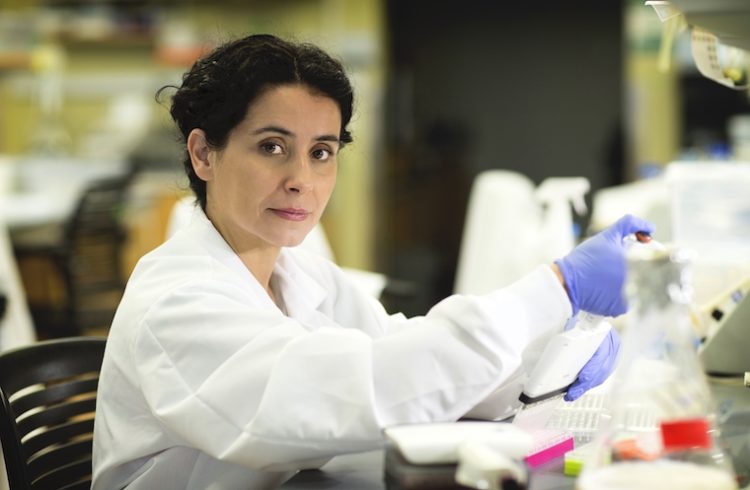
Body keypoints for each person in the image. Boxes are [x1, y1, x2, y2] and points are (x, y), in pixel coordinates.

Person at [91, 33, 654, 489]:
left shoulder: (299, 271)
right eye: (271, 146)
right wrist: (555, 289)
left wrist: (547, 357)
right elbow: (357, 389)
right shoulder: (178, 300)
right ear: (203, 153)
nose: (301, 181)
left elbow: (401, 356)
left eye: (321, 152)